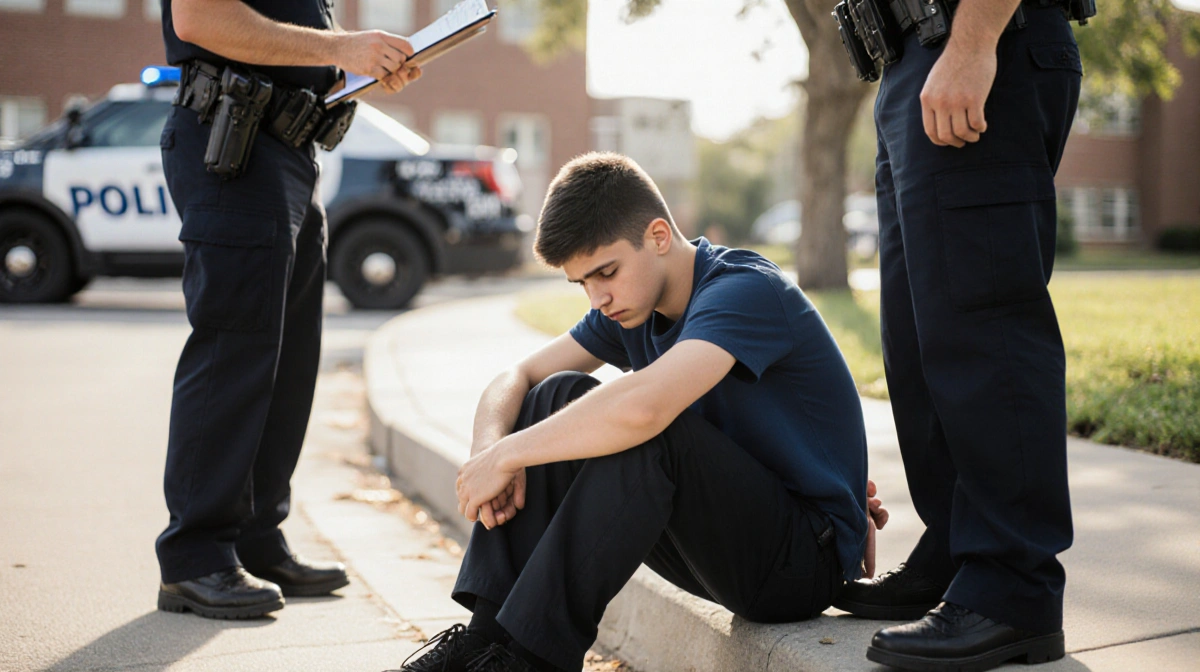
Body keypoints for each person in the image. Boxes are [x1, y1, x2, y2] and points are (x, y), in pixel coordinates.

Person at [393, 152, 887, 672]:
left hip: (803, 560)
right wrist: (489, 455)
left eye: (606, 272)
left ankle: (530, 662)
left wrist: (511, 455)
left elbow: (644, 409)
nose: (598, 297)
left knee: (647, 434)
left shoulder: (745, 290)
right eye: (582, 282)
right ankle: (482, 643)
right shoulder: (631, 307)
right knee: (553, 395)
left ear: (657, 236)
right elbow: (516, 378)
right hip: (722, 540)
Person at [831, 1, 1081, 670]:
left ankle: (1013, 586)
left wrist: (973, 44)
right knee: (920, 340)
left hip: (977, 38)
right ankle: (957, 553)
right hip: (911, 63)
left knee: (983, 326)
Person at [154, 0, 421, 620]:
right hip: (232, 143)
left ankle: (253, 538)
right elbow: (199, 19)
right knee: (233, 351)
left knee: (288, 360)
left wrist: (359, 70)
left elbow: (289, 49)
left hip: (289, 151)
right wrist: (342, 47)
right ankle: (194, 556)